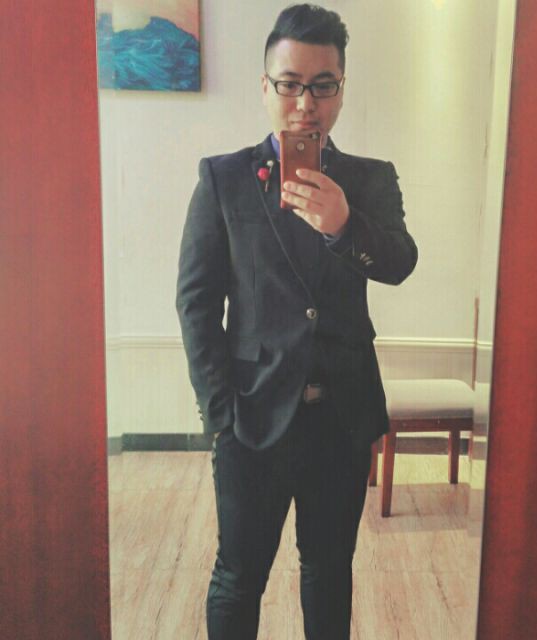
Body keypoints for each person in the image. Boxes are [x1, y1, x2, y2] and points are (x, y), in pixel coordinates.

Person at [176, 4, 417, 638]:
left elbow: (400, 262)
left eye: (322, 85)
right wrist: (219, 415)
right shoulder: (224, 179)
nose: (305, 103)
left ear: (341, 88)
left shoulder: (370, 180)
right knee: (239, 575)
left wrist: (345, 226)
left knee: (330, 571)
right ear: (266, 87)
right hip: (251, 419)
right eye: (290, 84)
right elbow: (197, 302)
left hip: (342, 419)